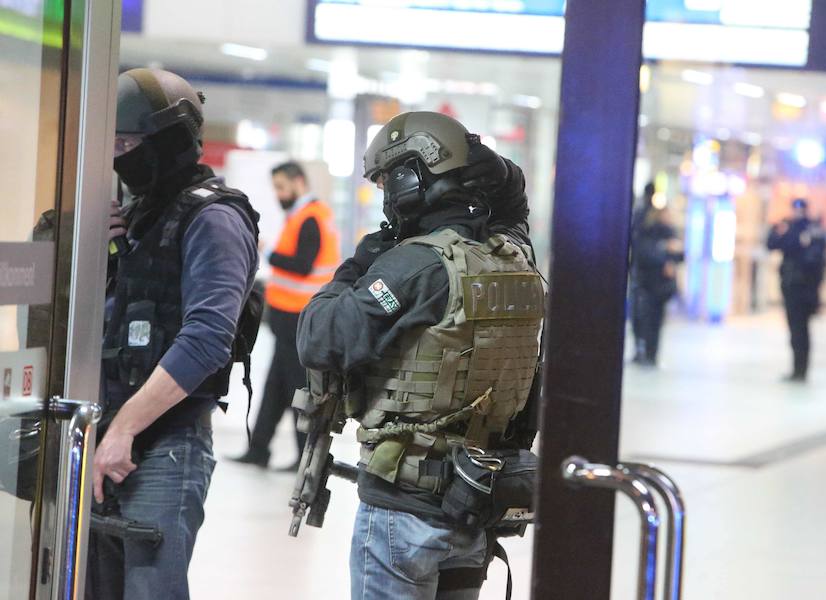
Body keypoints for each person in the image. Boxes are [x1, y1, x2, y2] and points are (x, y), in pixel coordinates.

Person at [297, 112, 541, 599]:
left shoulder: (415, 264)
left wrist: (359, 264)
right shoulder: (512, 257)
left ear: (413, 176)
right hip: (472, 503)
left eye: (389, 178)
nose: (386, 191)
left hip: (403, 509)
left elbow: (321, 338)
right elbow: (515, 208)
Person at [87, 68, 259, 599]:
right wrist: (80, 258)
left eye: (127, 142)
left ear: (167, 141)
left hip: (163, 447)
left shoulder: (214, 219)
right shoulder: (133, 217)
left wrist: (124, 431)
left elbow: (207, 338)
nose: (118, 155)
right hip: (101, 437)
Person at [230, 161, 339, 470]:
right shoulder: (305, 216)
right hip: (288, 317)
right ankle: (258, 449)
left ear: (298, 182)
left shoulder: (310, 218)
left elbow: (302, 265)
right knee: (277, 386)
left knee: (297, 387)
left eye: (281, 187)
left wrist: (267, 252)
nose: (278, 194)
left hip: (298, 317)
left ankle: (305, 458)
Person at [766, 198, 826, 383]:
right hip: (790, 286)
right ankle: (796, 369)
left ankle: (802, 369)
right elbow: (772, 244)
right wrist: (776, 227)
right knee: (794, 329)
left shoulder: (813, 230)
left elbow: (817, 260)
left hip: (806, 288)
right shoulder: (789, 227)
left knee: (802, 330)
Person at [630, 204, 683, 367]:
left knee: (656, 321)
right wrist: (664, 251)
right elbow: (643, 253)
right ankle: (643, 351)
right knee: (643, 319)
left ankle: (651, 353)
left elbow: (680, 256)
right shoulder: (648, 232)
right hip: (647, 284)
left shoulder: (671, 233)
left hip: (662, 287)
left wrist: (673, 257)